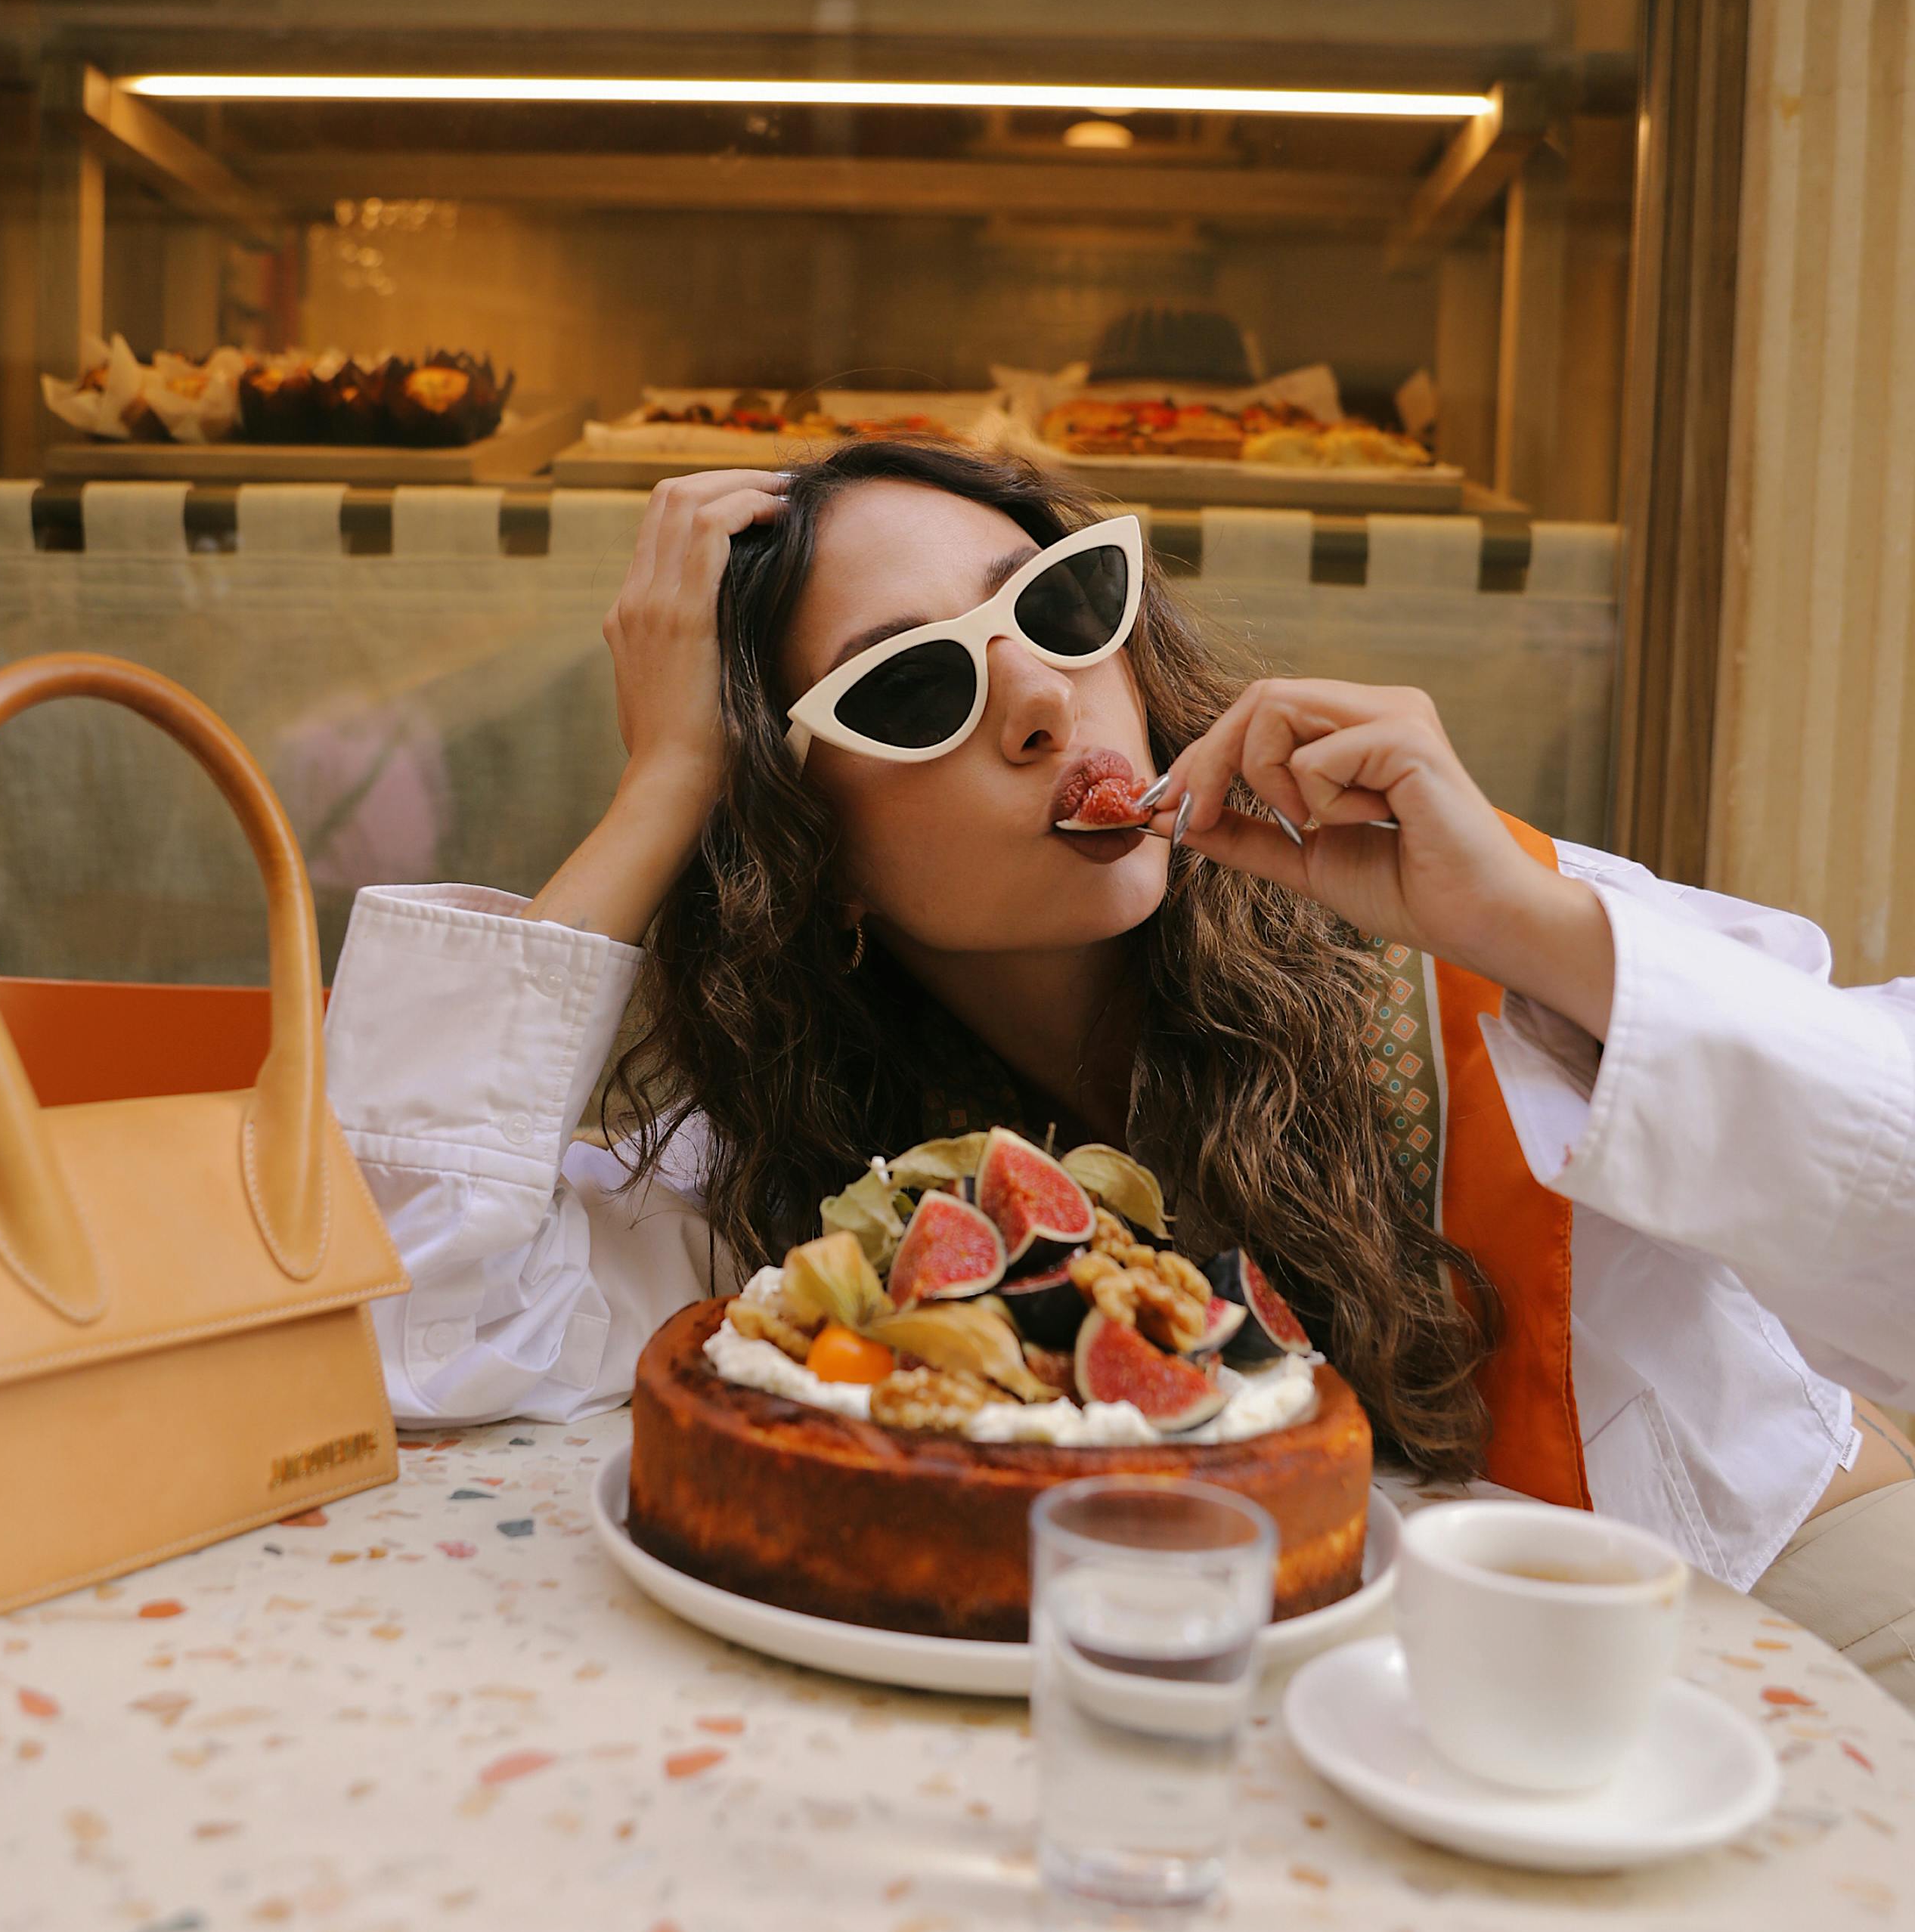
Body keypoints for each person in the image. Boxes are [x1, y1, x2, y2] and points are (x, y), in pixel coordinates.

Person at [324, 439, 1915, 1704]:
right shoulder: (829, 1188)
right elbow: (403, 1322)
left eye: (1064, 606)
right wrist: (667, 779)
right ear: (820, 854)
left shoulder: (1456, 916)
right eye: (912, 689)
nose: (1035, 698)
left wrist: (1536, 927)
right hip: (1393, 1734)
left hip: (1795, 1606)